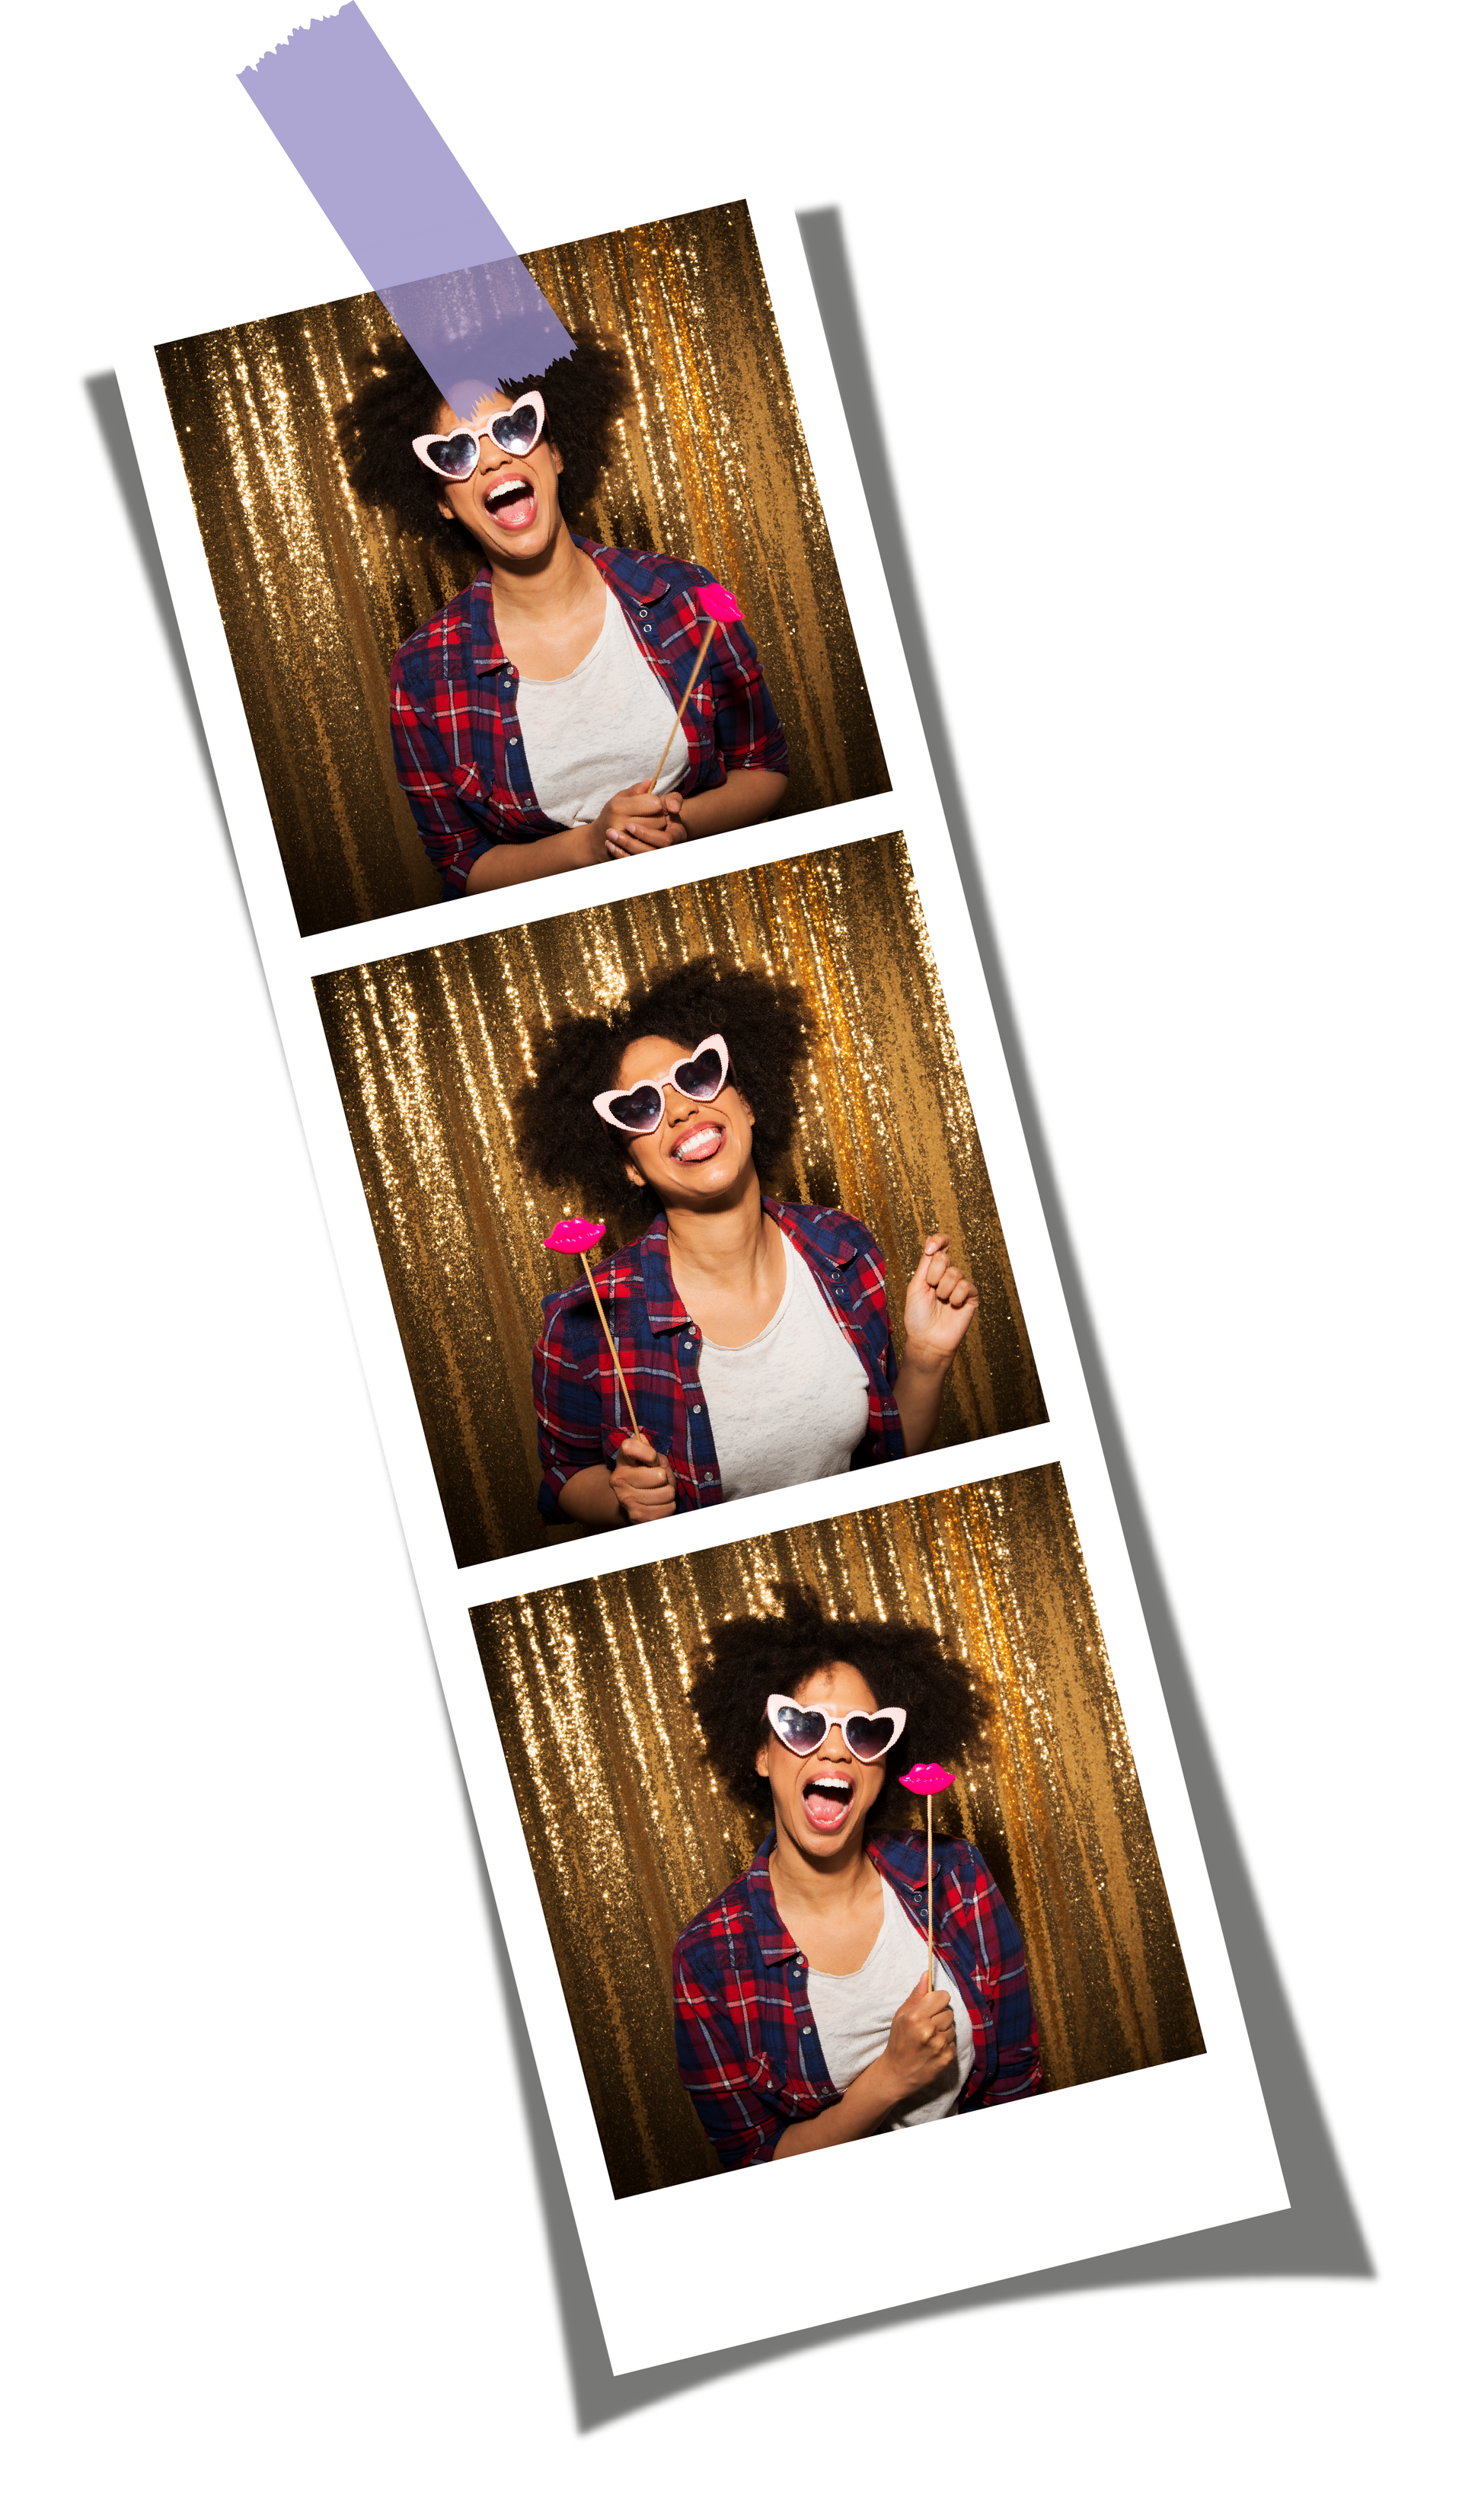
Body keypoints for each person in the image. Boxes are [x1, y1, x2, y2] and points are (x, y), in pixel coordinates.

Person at [513, 958, 981, 1531]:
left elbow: (887, 1460)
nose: (681, 1108)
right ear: (630, 1168)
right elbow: (564, 1474)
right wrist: (620, 1498)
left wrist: (927, 1359)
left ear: (749, 1103)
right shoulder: (586, 1320)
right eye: (641, 1106)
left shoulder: (845, 1249)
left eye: (697, 1076)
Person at [335, 331, 790, 901]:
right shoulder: (423, 672)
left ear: (554, 453)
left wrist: (675, 831)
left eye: (513, 428)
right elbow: (461, 866)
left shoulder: (684, 595)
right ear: (443, 504)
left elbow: (765, 769)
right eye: (456, 452)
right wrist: (592, 845)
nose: (494, 456)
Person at [672, 1588, 1041, 2167]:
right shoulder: (707, 1959)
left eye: (865, 1732)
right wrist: (888, 2079)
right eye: (802, 1725)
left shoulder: (955, 1874)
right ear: (761, 1753)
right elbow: (752, 2166)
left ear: (886, 1761)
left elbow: (1018, 2080)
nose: (838, 1752)